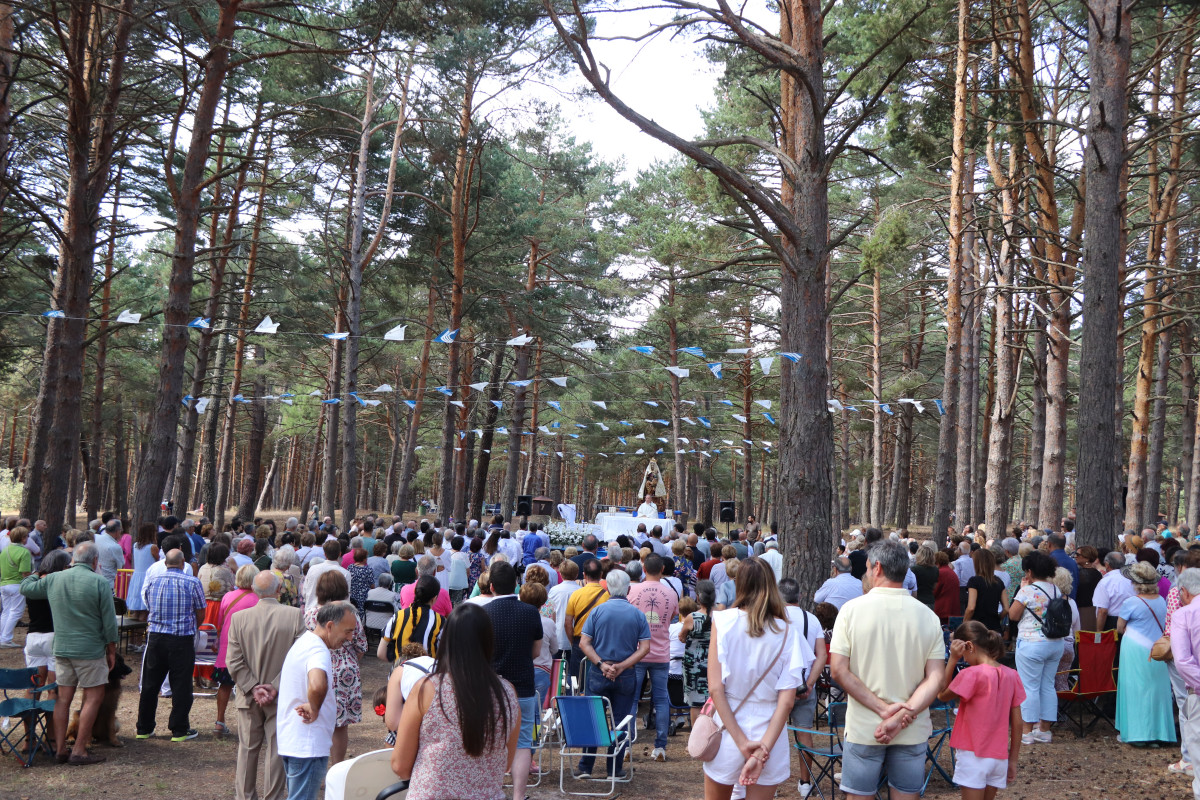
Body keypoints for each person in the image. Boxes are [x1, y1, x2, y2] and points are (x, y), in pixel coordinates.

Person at [829, 540, 944, 800]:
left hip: (865, 727)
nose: (867, 572)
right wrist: (903, 714)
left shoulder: (851, 611)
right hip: (911, 727)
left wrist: (884, 711)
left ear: (877, 568)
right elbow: (935, 676)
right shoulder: (927, 616)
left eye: (868, 567)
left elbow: (838, 671)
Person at [705, 557, 811, 797]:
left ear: (739, 584)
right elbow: (787, 701)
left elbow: (715, 689)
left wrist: (742, 742)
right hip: (769, 732)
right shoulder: (787, 632)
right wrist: (763, 750)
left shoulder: (722, 622)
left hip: (728, 727)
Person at [390, 604, 520, 800]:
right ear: (489, 642)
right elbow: (506, 763)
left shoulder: (427, 689)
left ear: (446, 641)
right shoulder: (508, 692)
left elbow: (400, 765)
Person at [226, 570, 307, 800]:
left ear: (254, 590)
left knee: (247, 750)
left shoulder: (239, 619)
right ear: (279, 590)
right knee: (275, 751)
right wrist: (275, 686)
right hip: (280, 696)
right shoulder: (294, 615)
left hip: (248, 695)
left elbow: (233, 660)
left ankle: (245, 797)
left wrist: (253, 687)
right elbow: (300, 657)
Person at [277, 601, 359, 800]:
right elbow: (317, 684)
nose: (350, 638)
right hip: (308, 745)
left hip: (297, 740)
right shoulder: (318, 650)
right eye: (347, 631)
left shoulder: (305, 642)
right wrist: (314, 707)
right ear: (330, 626)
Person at [575, 569, 651, 780]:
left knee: (594, 718)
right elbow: (645, 648)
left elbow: (584, 643)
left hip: (600, 672)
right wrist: (623, 666)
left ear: (606, 587)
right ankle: (614, 769)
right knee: (621, 721)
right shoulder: (637, 614)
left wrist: (600, 664)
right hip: (625, 674)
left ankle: (585, 766)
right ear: (628, 589)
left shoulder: (598, 612)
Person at [936, 621, 1025, 799]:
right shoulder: (1012, 675)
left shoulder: (970, 674)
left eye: (963, 655)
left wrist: (952, 659)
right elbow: (1017, 723)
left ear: (968, 646)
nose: (964, 659)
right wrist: (1013, 760)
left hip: (972, 754)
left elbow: (941, 694)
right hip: (999, 756)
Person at [482, 561, 543, 800]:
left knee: (489, 740)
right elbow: (536, 652)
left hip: (490, 687)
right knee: (523, 742)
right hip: (523, 686)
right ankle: (519, 796)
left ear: (492, 586)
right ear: (516, 584)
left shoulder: (483, 614)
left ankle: (491, 790)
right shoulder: (530, 612)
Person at [137, 548, 207, 742]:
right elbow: (201, 611)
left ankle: (144, 727)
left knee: (150, 684)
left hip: (156, 638)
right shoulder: (192, 582)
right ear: (183, 562)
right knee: (181, 685)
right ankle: (179, 728)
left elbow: (149, 605)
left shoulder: (153, 581)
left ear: (165, 563)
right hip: (181, 638)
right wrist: (193, 626)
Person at [302, 570, 367, 765]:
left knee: (315, 717)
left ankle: (316, 766)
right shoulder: (350, 613)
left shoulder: (310, 614)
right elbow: (361, 646)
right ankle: (336, 767)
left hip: (316, 668)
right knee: (340, 726)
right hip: (345, 669)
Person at [1006, 550, 1064, 744]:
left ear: (1029, 572)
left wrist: (1021, 589)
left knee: (1029, 686)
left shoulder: (1027, 591)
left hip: (1031, 643)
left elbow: (1013, 616)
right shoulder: (1056, 589)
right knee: (1047, 685)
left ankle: (1027, 731)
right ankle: (1045, 730)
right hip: (1055, 643)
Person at [1115, 561, 1175, 746]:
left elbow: (1119, 627)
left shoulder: (1131, 602)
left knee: (1134, 688)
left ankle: (1137, 734)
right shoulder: (1161, 600)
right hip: (1157, 648)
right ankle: (1159, 733)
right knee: (1157, 690)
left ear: (1135, 583)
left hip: (1134, 646)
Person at [779, 576, 829, 798]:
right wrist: (809, 684)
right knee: (804, 733)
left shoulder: (773, 618)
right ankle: (805, 782)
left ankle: (768, 782)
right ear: (799, 596)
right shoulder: (812, 620)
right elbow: (821, 656)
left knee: (771, 733)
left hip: (779, 687)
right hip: (803, 685)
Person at [628, 553, 680, 762]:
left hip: (637, 652)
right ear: (662, 570)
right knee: (660, 700)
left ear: (643, 569)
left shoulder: (633, 590)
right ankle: (660, 747)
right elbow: (674, 615)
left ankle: (628, 744)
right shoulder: (671, 593)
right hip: (661, 653)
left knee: (631, 699)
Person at [213, 564, 261, 735]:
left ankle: (219, 721)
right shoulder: (259, 599)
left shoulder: (228, 596)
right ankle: (251, 724)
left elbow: (220, 622)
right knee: (252, 686)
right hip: (250, 650)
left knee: (225, 685)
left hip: (228, 647)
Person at [1166, 568, 1200, 796]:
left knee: (1198, 745)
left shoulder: (1184, 615)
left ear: (1185, 592)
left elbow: (1183, 661)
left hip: (1197, 690)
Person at [22, 549, 70, 703]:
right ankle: (52, 728)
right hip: (54, 636)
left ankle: (30, 727)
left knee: (33, 688)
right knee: (53, 691)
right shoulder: (60, 584)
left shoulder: (33, 584)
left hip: (33, 637)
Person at [379, 575, 445, 662]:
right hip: (427, 673)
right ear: (434, 598)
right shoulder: (440, 621)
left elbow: (380, 653)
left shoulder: (398, 616)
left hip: (400, 672)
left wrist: (397, 666)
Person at [565, 558, 609, 679]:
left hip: (579, 640)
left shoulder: (576, 594)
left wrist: (573, 641)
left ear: (584, 575)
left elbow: (568, 623)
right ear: (601, 574)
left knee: (576, 680)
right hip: (600, 642)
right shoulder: (607, 596)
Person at [679, 579, 715, 723]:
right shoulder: (720, 615)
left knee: (695, 703)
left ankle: (696, 737)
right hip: (714, 662)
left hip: (693, 664)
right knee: (714, 699)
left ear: (698, 597)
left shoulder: (691, 617)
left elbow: (682, 637)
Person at [520, 580, 557, 712]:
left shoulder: (517, 619)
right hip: (541, 669)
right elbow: (554, 649)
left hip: (520, 668)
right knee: (536, 713)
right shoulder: (548, 623)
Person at [0, 525, 33, 646]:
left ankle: (2, 637)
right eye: (26, 536)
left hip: (4, 584)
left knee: (6, 612)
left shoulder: (5, 550)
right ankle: (6, 639)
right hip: (17, 584)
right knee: (16, 612)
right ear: (23, 538)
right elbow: (25, 572)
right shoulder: (24, 552)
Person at [964, 548, 1009, 633]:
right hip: (994, 627)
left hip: (977, 628)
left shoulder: (974, 581)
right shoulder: (998, 581)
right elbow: (1006, 608)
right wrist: (997, 618)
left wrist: (964, 624)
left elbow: (971, 608)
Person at [125, 522, 160, 622]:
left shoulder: (136, 545)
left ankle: (133, 636)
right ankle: (139, 636)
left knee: (136, 612)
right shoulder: (153, 547)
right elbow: (158, 560)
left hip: (136, 577)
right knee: (144, 612)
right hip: (147, 578)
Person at [1094, 550, 1136, 630]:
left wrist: (1099, 633)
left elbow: (1102, 611)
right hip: (1131, 621)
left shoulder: (1105, 582)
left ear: (1107, 564)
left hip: (1112, 622)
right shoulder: (1132, 579)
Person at [301, 540, 348, 611]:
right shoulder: (345, 573)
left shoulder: (313, 569)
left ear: (325, 554)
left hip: (312, 611)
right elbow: (346, 599)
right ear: (340, 554)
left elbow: (305, 591)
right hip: (335, 614)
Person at [934, 550, 962, 622]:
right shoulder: (951, 572)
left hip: (943, 609)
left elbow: (935, 591)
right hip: (953, 609)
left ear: (937, 562)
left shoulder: (940, 572)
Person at [911, 544, 938, 612]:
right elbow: (935, 586)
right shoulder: (935, 569)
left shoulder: (914, 569)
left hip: (918, 601)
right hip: (930, 600)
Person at [346, 548, 373, 613]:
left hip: (351, 595)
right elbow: (372, 585)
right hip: (363, 597)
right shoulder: (368, 570)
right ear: (363, 559)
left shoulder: (350, 567)